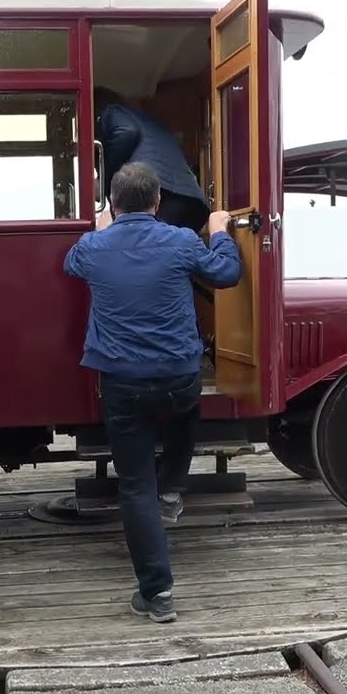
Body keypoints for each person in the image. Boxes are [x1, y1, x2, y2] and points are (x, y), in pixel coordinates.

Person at [62, 162, 241, 623]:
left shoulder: (93, 247)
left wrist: (102, 226)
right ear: (158, 203)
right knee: (186, 411)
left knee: (134, 487)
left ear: (114, 204)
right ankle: (174, 487)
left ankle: (157, 594)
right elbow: (225, 274)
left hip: (123, 384)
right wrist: (220, 230)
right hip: (179, 376)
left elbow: (71, 263)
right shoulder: (181, 240)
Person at [94, 87, 211, 233]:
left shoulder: (112, 111)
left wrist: (104, 180)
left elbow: (127, 132)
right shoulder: (145, 120)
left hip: (163, 195)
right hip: (191, 201)